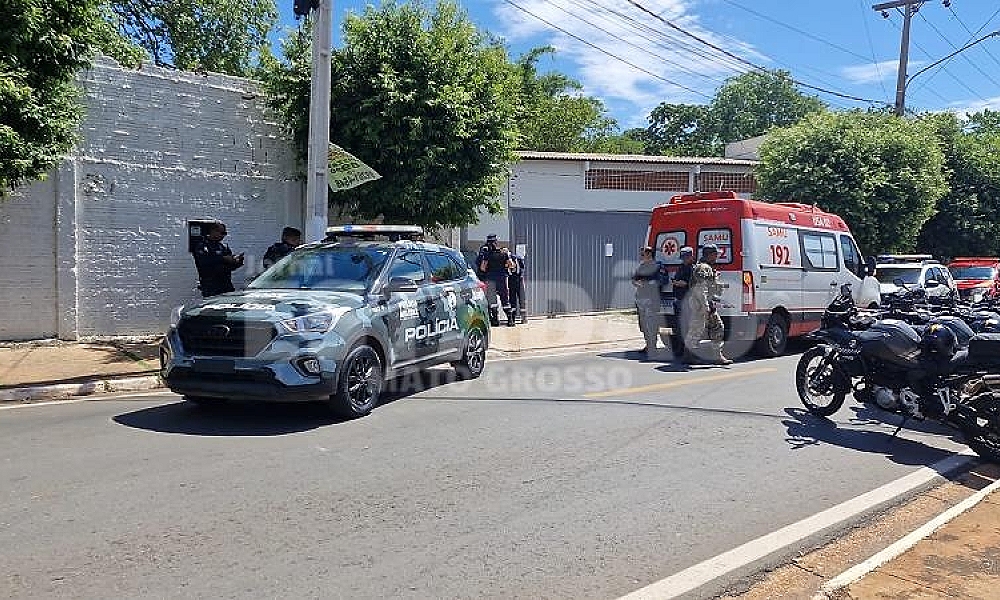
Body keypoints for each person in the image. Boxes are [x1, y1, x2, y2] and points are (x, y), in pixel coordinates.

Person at [681, 244, 732, 365]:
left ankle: (717, 355)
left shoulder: (708, 268)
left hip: (706, 303)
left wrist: (716, 281)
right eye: (715, 254)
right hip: (700, 304)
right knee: (696, 329)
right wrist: (705, 306)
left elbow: (712, 288)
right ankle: (688, 355)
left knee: (717, 327)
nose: (717, 256)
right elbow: (700, 288)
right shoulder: (703, 268)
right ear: (709, 255)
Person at [193, 221, 244, 297]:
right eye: (222, 233)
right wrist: (223, 258)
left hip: (226, 284)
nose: (223, 236)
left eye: (225, 233)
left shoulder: (223, 247)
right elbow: (204, 262)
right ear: (213, 231)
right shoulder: (202, 245)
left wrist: (237, 262)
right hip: (211, 285)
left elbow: (229, 266)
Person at [633, 246, 664, 357]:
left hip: (651, 299)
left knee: (651, 324)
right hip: (640, 298)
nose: (641, 256)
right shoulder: (641, 266)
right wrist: (636, 283)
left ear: (649, 254)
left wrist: (648, 283)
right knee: (643, 325)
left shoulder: (657, 266)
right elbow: (634, 279)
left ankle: (653, 347)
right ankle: (648, 344)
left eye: (643, 254)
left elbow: (662, 280)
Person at [477, 234, 513, 327]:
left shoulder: (487, 254)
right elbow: (511, 265)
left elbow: (482, 268)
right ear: (496, 242)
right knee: (505, 299)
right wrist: (504, 266)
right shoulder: (504, 253)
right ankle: (510, 320)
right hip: (501, 279)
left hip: (490, 279)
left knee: (492, 301)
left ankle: (495, 320)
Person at [669, 246, 696, 357]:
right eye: (683, 257)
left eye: (686, 257)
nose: (684, 259)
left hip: (687, 301)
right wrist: (676, 282)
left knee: (687, 326)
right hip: (679, 299)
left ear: (691, 257)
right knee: (680, 326)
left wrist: (677, 283)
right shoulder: (681, 267)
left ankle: (687, 350)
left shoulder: (692, 269)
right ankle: (680, 348)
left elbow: (686, 283)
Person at [506, 247, 527, 325]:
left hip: (519, 280)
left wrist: (520, 275)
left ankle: (524, 318)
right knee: (512, 300)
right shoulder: (503, 261)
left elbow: (522, 267)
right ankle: (513, 318)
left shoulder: (517, 258)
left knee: (522, 299)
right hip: (511, 281)